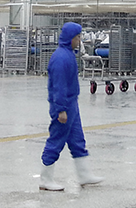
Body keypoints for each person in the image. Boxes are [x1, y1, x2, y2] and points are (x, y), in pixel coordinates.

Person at [39, 22, 103, 191]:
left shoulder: (68, 55)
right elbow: (58, 86)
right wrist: (60, 109)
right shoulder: (61, 58)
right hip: (64, 106)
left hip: (71, 104)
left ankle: (84, 175)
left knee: (77, 139)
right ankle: (45, 179)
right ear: (70, 38)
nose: (80, 40)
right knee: (56, 140)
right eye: (78, 37)